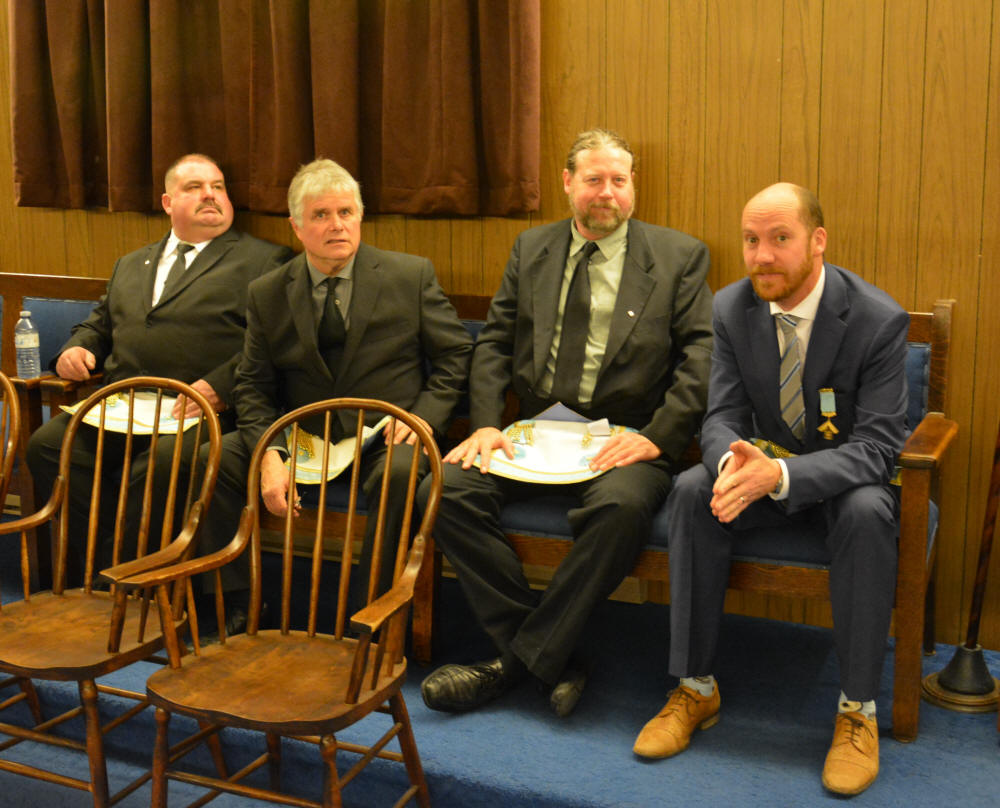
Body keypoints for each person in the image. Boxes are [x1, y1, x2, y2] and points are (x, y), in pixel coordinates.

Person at [419, 128, 714, 717]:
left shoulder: (679, 256)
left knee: (621, 509)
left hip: (623, 438)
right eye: (593, 179)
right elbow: (495, 342)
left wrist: (656, 438)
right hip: (533, 434)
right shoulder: (532, 248)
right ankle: (547, 654)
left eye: (619, 180)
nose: (607, 192)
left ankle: (513, 662)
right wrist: (485, 425)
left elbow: (701, 356)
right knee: (444, 488)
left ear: (633, 186)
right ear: (567, 182)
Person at [632, 183, 908, 796]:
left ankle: (857, 710)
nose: (762, 256)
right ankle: (695, 687)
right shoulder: (731, 307)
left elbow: (876, 449)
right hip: (761, 472)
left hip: (843, 486)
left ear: (818, 241)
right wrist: (733, 465)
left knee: (869, 511)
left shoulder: (876, 319)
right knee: (691, 489)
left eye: (780, 238)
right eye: (751, 240)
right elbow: (721, 416)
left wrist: (780, 476)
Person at [200, 158, 473, 630]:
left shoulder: (409, 276)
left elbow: (455, 355)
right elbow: (253, 384)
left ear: (360, 216)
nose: (337, 225)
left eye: (346, 212)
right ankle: (237, 603)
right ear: (296, 226)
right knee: (215, 457)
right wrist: (270, 452)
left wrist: (425, 417)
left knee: (401, 474)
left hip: (386, 432)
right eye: (321, 215)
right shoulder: (268, 292)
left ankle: (371, 620)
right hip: (306, 434)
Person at [26, 154, 293, 572]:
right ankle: (109, 567)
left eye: (218, 187)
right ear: (168, 202)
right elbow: (99, 324)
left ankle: (126, 577)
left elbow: (275, 342)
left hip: (196, 409)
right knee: (47, 446)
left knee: (160, 465)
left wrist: (223, 386)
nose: (210, 195)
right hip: (122, 405)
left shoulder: (264, 261)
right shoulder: (132, 263)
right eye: (195, 188)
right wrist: (75, 349)